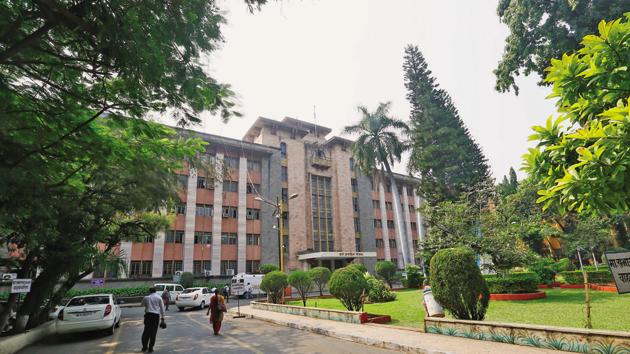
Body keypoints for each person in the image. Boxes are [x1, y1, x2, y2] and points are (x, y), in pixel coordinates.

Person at [141, 287, 165, 353]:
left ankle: (144, 347)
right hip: (155, 317)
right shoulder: (159, 298)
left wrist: (147, 305)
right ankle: (150, 348)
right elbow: (162, 309)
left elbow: (142, 304)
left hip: (148, 316)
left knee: (146, 332)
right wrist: (162, 318)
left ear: (149, 291)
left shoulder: (146, 297)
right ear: (155, 291)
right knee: (153, 332)